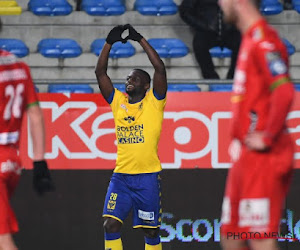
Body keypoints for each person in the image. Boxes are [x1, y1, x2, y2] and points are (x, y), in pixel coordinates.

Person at [218, 0, 295, 249]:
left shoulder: (264, 39)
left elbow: (284, 90)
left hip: (263, 156)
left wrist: (268, 135)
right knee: (230, 234)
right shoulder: (249, 40)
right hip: (244, 156)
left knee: (259, 238)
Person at [95, 24, 167, 250]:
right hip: (121, 177)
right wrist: (109, 43)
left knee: (151, 230)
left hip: (147, 178)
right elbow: (100, 73)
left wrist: (140, 40)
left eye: (135, 79)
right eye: (128, 78)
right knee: (110, 225)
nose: (129, 80)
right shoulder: (118, 102)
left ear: (146, 86)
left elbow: (160, 69)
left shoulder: (154, 103)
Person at [0, 35, 55, 249]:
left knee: (3, 240)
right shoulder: (20, 67)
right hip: (12, 160)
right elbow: (35, 115)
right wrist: (40, 163)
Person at [179, 0, 241, 79]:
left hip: (231, 31)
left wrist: (235, 25)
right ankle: (211, 79)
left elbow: (248, 9)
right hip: (206, 31)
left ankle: (233, 78)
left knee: (242, 43)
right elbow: (184, 11)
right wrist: (203, 25)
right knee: (199, 44)